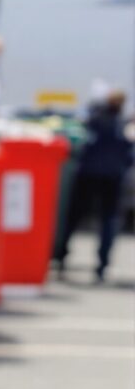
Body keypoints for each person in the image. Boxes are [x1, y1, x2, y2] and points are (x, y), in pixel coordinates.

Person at [57, 89, 132, 283]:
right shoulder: (123, 125)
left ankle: (61, 257)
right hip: (113, 176)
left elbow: (79, 143)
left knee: (75, 217)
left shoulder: (94, 118)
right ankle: (102, 265)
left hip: (88, 173)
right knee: (108, 220)